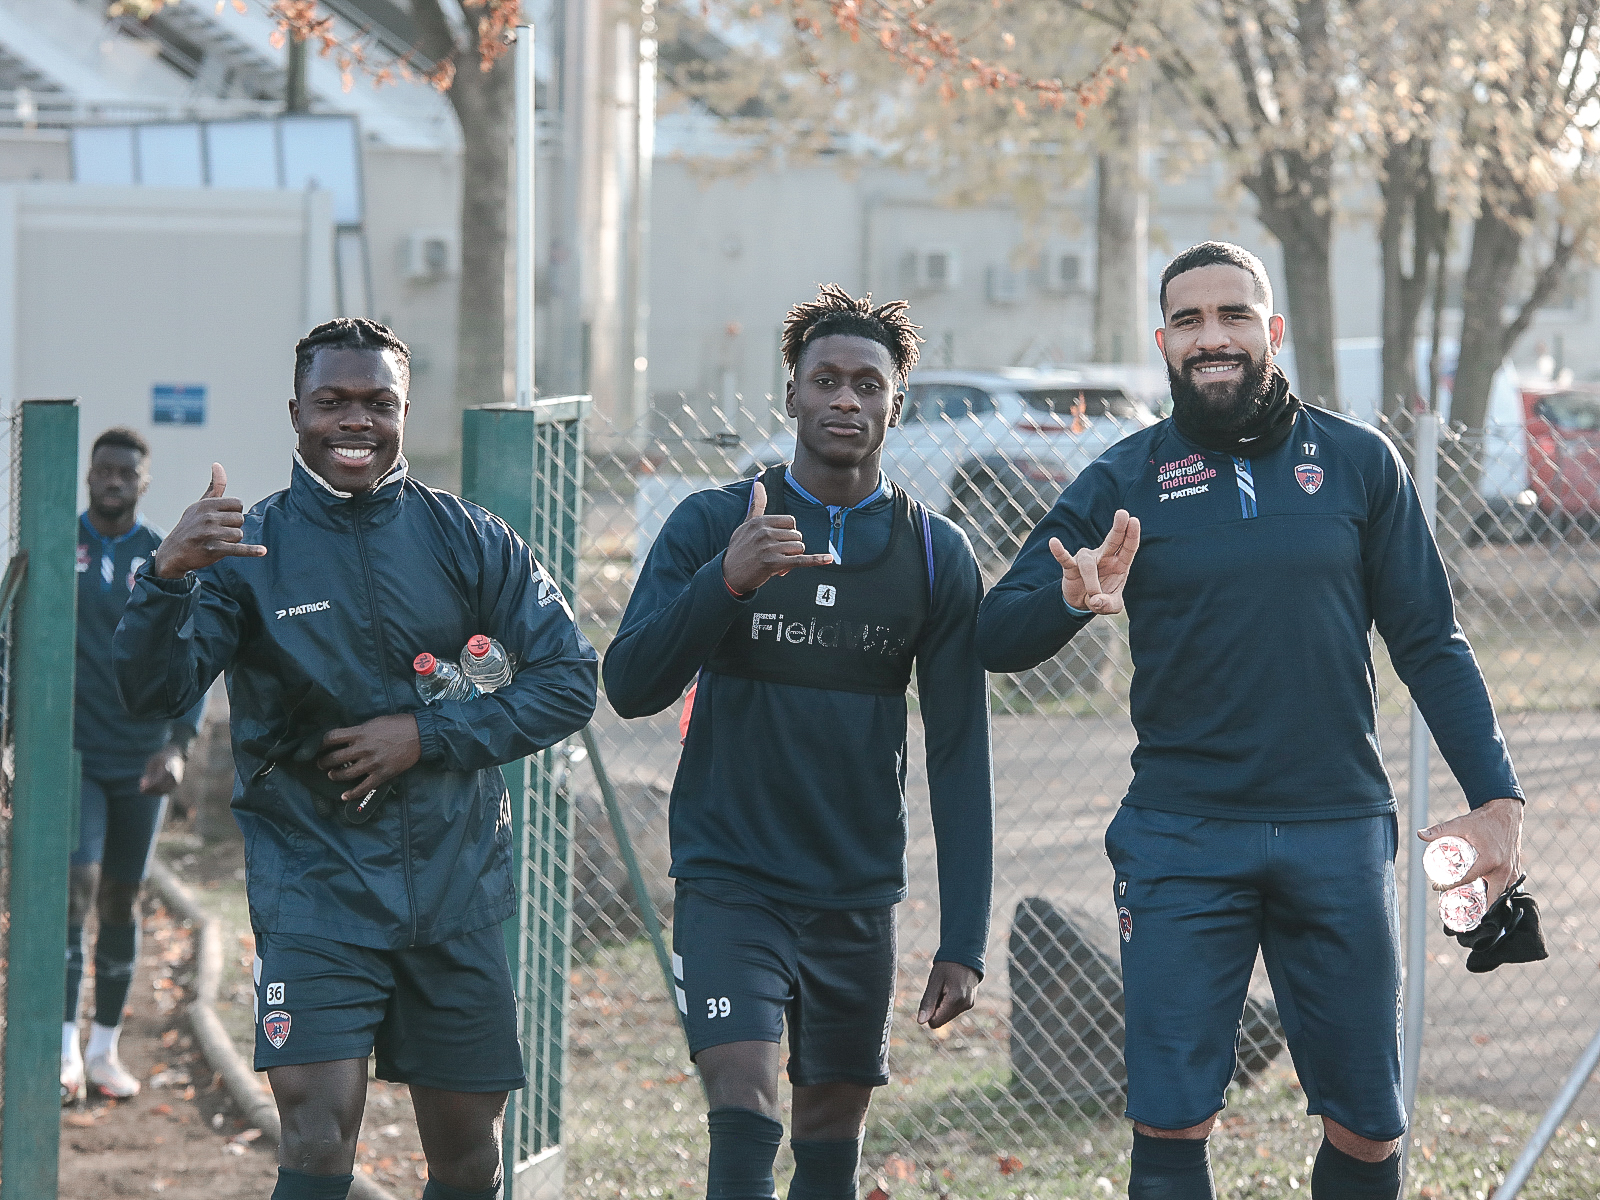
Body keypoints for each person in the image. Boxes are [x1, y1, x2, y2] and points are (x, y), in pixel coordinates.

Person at [976, 241, 1527, 1200]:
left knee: (1366, 1128)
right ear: (1163, 343)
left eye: (1232, 316)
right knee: (1171, 1118)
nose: (1212, 337)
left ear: (1271, 331)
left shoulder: (1360, 464)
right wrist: (1068, 599)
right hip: (1182, 836)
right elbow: (996, 633)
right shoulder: (1126, 479)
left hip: (1336, 831)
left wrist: (1498, 798)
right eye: (1188, 321)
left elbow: (1432, 643)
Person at [113, 318, 599, 1200]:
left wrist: (425, 736)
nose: (355, 421)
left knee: (467, 1157)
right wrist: (167, 576)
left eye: (378, 403)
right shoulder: (246, 552)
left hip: (454, 891)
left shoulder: (470, 537)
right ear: (295, 411)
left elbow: (570, 680)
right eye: (331, 402)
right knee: (314, 1133)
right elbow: (152, 693)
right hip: (316, 891)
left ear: (405, 410)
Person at [604, 285, 994, 1200]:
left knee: (827, 1139)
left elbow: (959, 753)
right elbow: (629, 686)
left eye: (868, 383)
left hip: (855, 894)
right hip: (730, 879)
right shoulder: (713, 523)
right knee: (744, 1106)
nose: (846, 400)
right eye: (825, 379)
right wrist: (727, 583)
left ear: (898, 402)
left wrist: (964, 941)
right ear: (792, 395)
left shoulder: (936, 555)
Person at [60, 427, 206, 1103]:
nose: (113, 479)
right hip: (74, 751)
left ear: (144, 483)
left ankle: (102, 1049)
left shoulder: (162, 556)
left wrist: (177, 745)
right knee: (76, 886)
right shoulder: (62, 544)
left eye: (127, 472)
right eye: (103, 469)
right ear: (89, 475)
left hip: (142, 756)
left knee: (122, 895)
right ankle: (60, 1045)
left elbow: (192, 657)